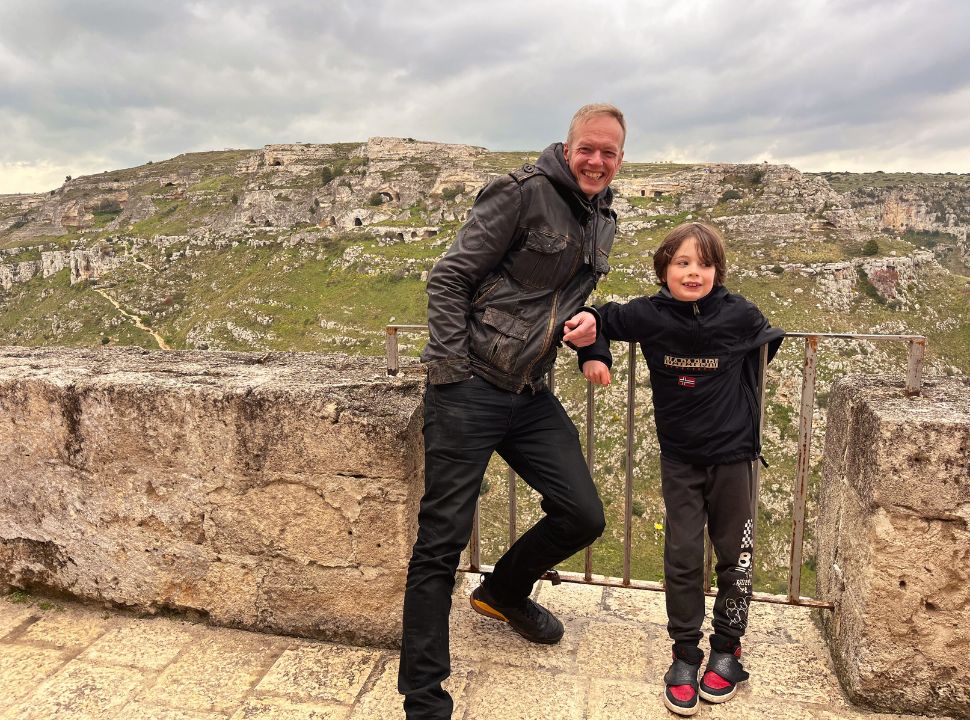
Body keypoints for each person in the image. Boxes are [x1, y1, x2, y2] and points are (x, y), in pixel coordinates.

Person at [398, 103, 626, 719]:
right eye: (589, 149)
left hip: (529, 393)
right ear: (568, 144)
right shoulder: (521, 193)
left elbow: (568, 303)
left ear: (620, 158)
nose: (597, 161)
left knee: (581, 514)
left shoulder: (604, 218)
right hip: (470, 386)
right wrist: (450, 374)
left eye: (609, 153)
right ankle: (424, 701)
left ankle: (503, 591)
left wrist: (592, 343)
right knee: (439, 545)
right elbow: (448, 279)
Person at [576, 221, 784, 716]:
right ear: (664, 268)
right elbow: (592, 320)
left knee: (736, 555)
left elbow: (766, 346)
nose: (694, 273)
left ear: (718, 270)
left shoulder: (739, 314)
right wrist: (593, 354)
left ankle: (728, 648)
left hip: (735, 456)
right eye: (683, 263)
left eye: (705, 264)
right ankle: (685, 654)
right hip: (680, 459)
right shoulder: (649, 315)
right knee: (684, 554)